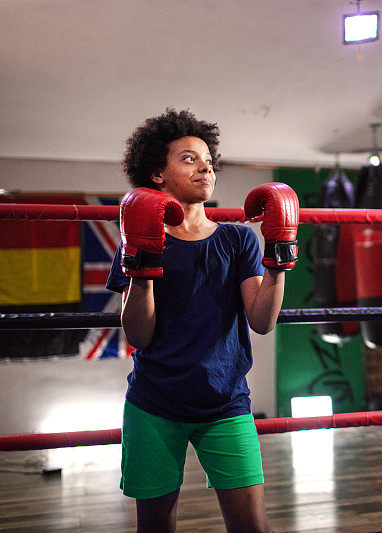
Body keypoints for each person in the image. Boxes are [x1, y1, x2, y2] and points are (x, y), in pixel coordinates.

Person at [106, 108, 299, 532]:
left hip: (226, 402)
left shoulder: (237, 238)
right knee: (155, 526)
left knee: (253, 526)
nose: (205, 166)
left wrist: (279, 256)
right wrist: (144, 266)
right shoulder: (135, 240)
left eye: (209, 159)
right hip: (155, 403)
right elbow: (139, 334)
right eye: (189, 158)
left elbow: (262, 321)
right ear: (158, 173)